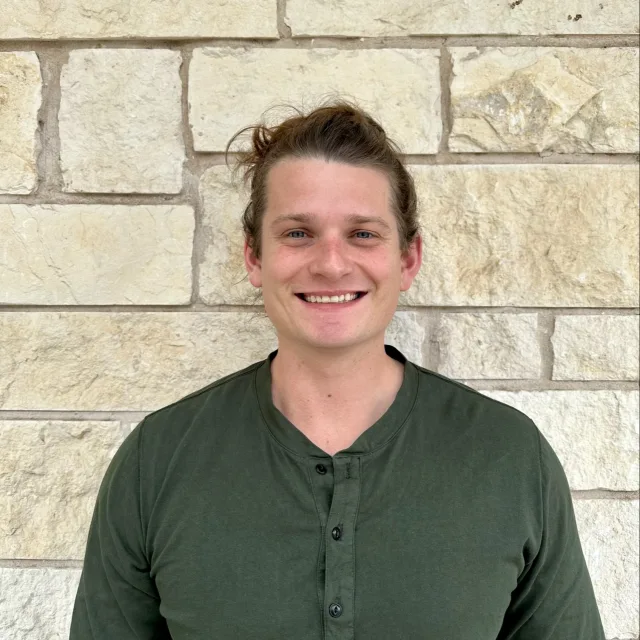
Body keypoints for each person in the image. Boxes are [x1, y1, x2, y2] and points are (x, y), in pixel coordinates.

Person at [69, 99, 606, 639]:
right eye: (298, 233)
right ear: (255, 257)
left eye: (363, 234)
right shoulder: (158, 459)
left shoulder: (508, 456)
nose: (330, 263)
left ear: (407, 259)